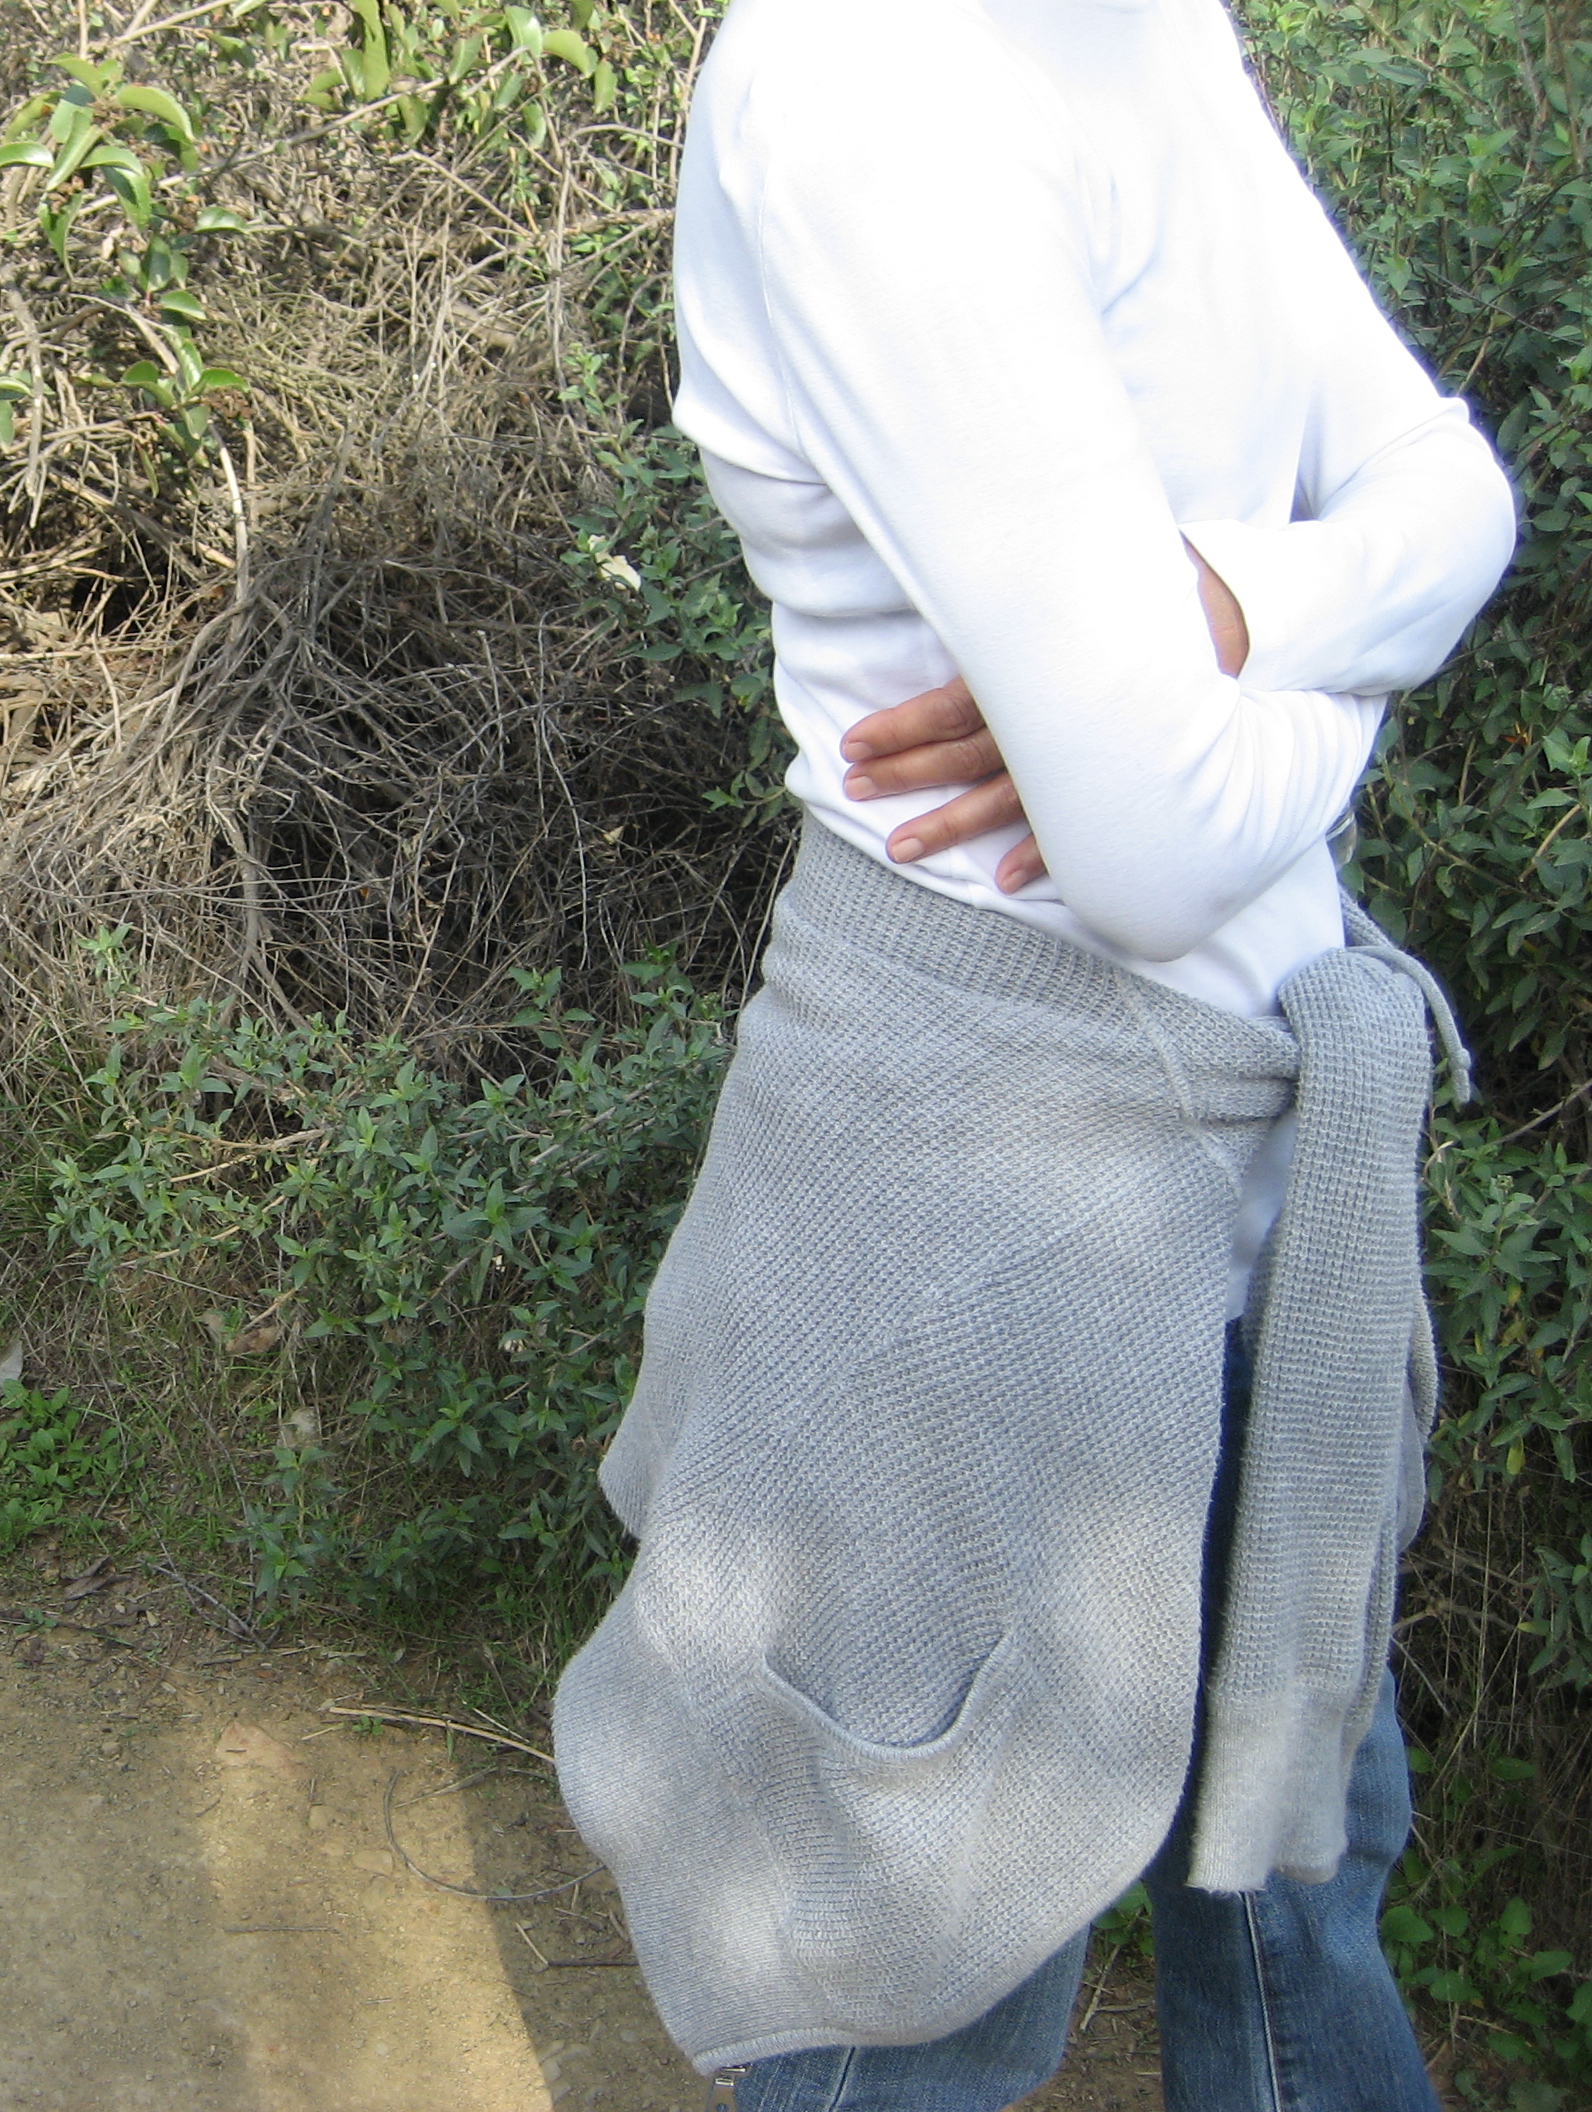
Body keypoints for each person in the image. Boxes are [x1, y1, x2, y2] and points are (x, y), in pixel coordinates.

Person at [550, 0, 1518, 2105]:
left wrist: (1224, 620)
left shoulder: (1144, 26)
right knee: (911, 1958)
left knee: (1296, 1885)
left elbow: (1460, 493)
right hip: (971, 1179)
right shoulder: (863, 82)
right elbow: (1156, 847)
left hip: (1264, 1192)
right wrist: (1341, 659)